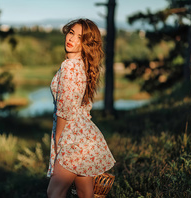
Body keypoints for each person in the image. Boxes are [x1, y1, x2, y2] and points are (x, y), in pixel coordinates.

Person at [47, 18, 116, 198]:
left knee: (54, 192)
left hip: (72, 140)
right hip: (85, 137)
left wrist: (58, 140)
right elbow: (83, 108)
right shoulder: (82, 65)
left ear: (86, 44)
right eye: (71, 33)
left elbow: (64, 110)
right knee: (86, 193)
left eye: (80, 37)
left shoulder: (69, 67)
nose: (72, 39)